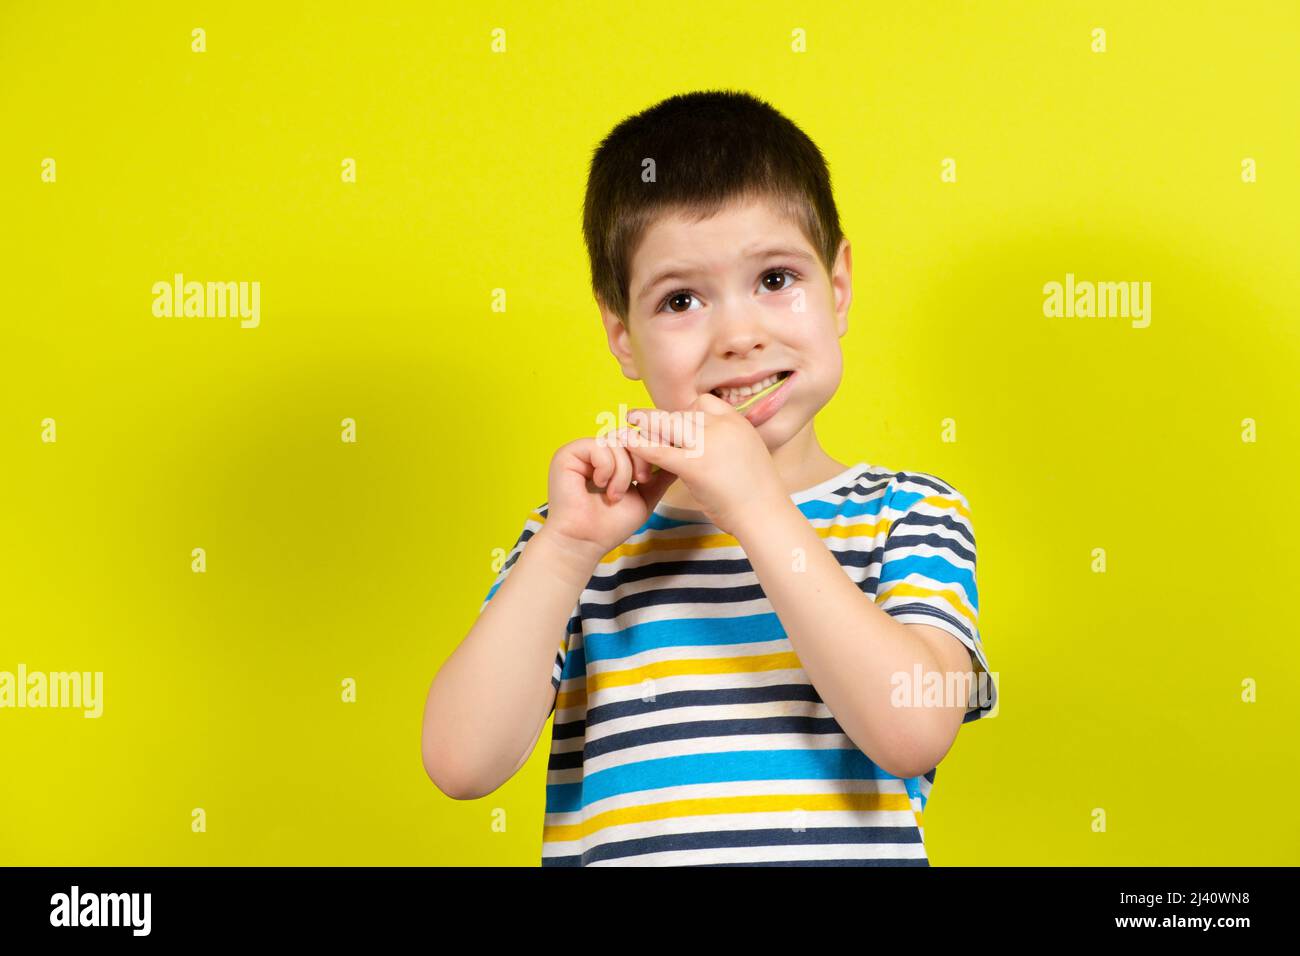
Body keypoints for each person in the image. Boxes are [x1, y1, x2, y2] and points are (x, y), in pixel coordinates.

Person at [422, 89, 996, 866]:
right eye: (682, 299)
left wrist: (757, 507)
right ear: (623, 338)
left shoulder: (908, 514)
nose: (739, 336)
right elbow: (460, 763)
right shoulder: (582, 538)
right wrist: (563, 551)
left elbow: (914, 729)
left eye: (775, 280)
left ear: (839, 286)